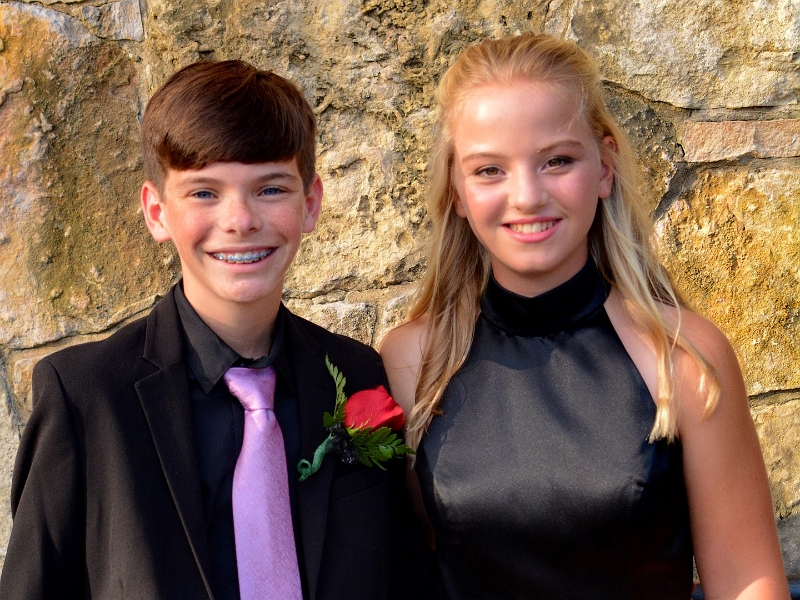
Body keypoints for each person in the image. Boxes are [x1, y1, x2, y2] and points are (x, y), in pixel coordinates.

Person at [0, 59, 429, 600]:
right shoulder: (86, 397)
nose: (240, 220)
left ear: (310, 203)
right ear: (157, 212)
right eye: (204, 192)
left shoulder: (357, 372)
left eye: (270, 189)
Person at [381, 33, 789, 599]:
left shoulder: (682, 357)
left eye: (557, 161)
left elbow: (747, 580)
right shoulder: (413, 361)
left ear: (604, 168)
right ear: (456, 189)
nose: (527, 196)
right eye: (489, 170)